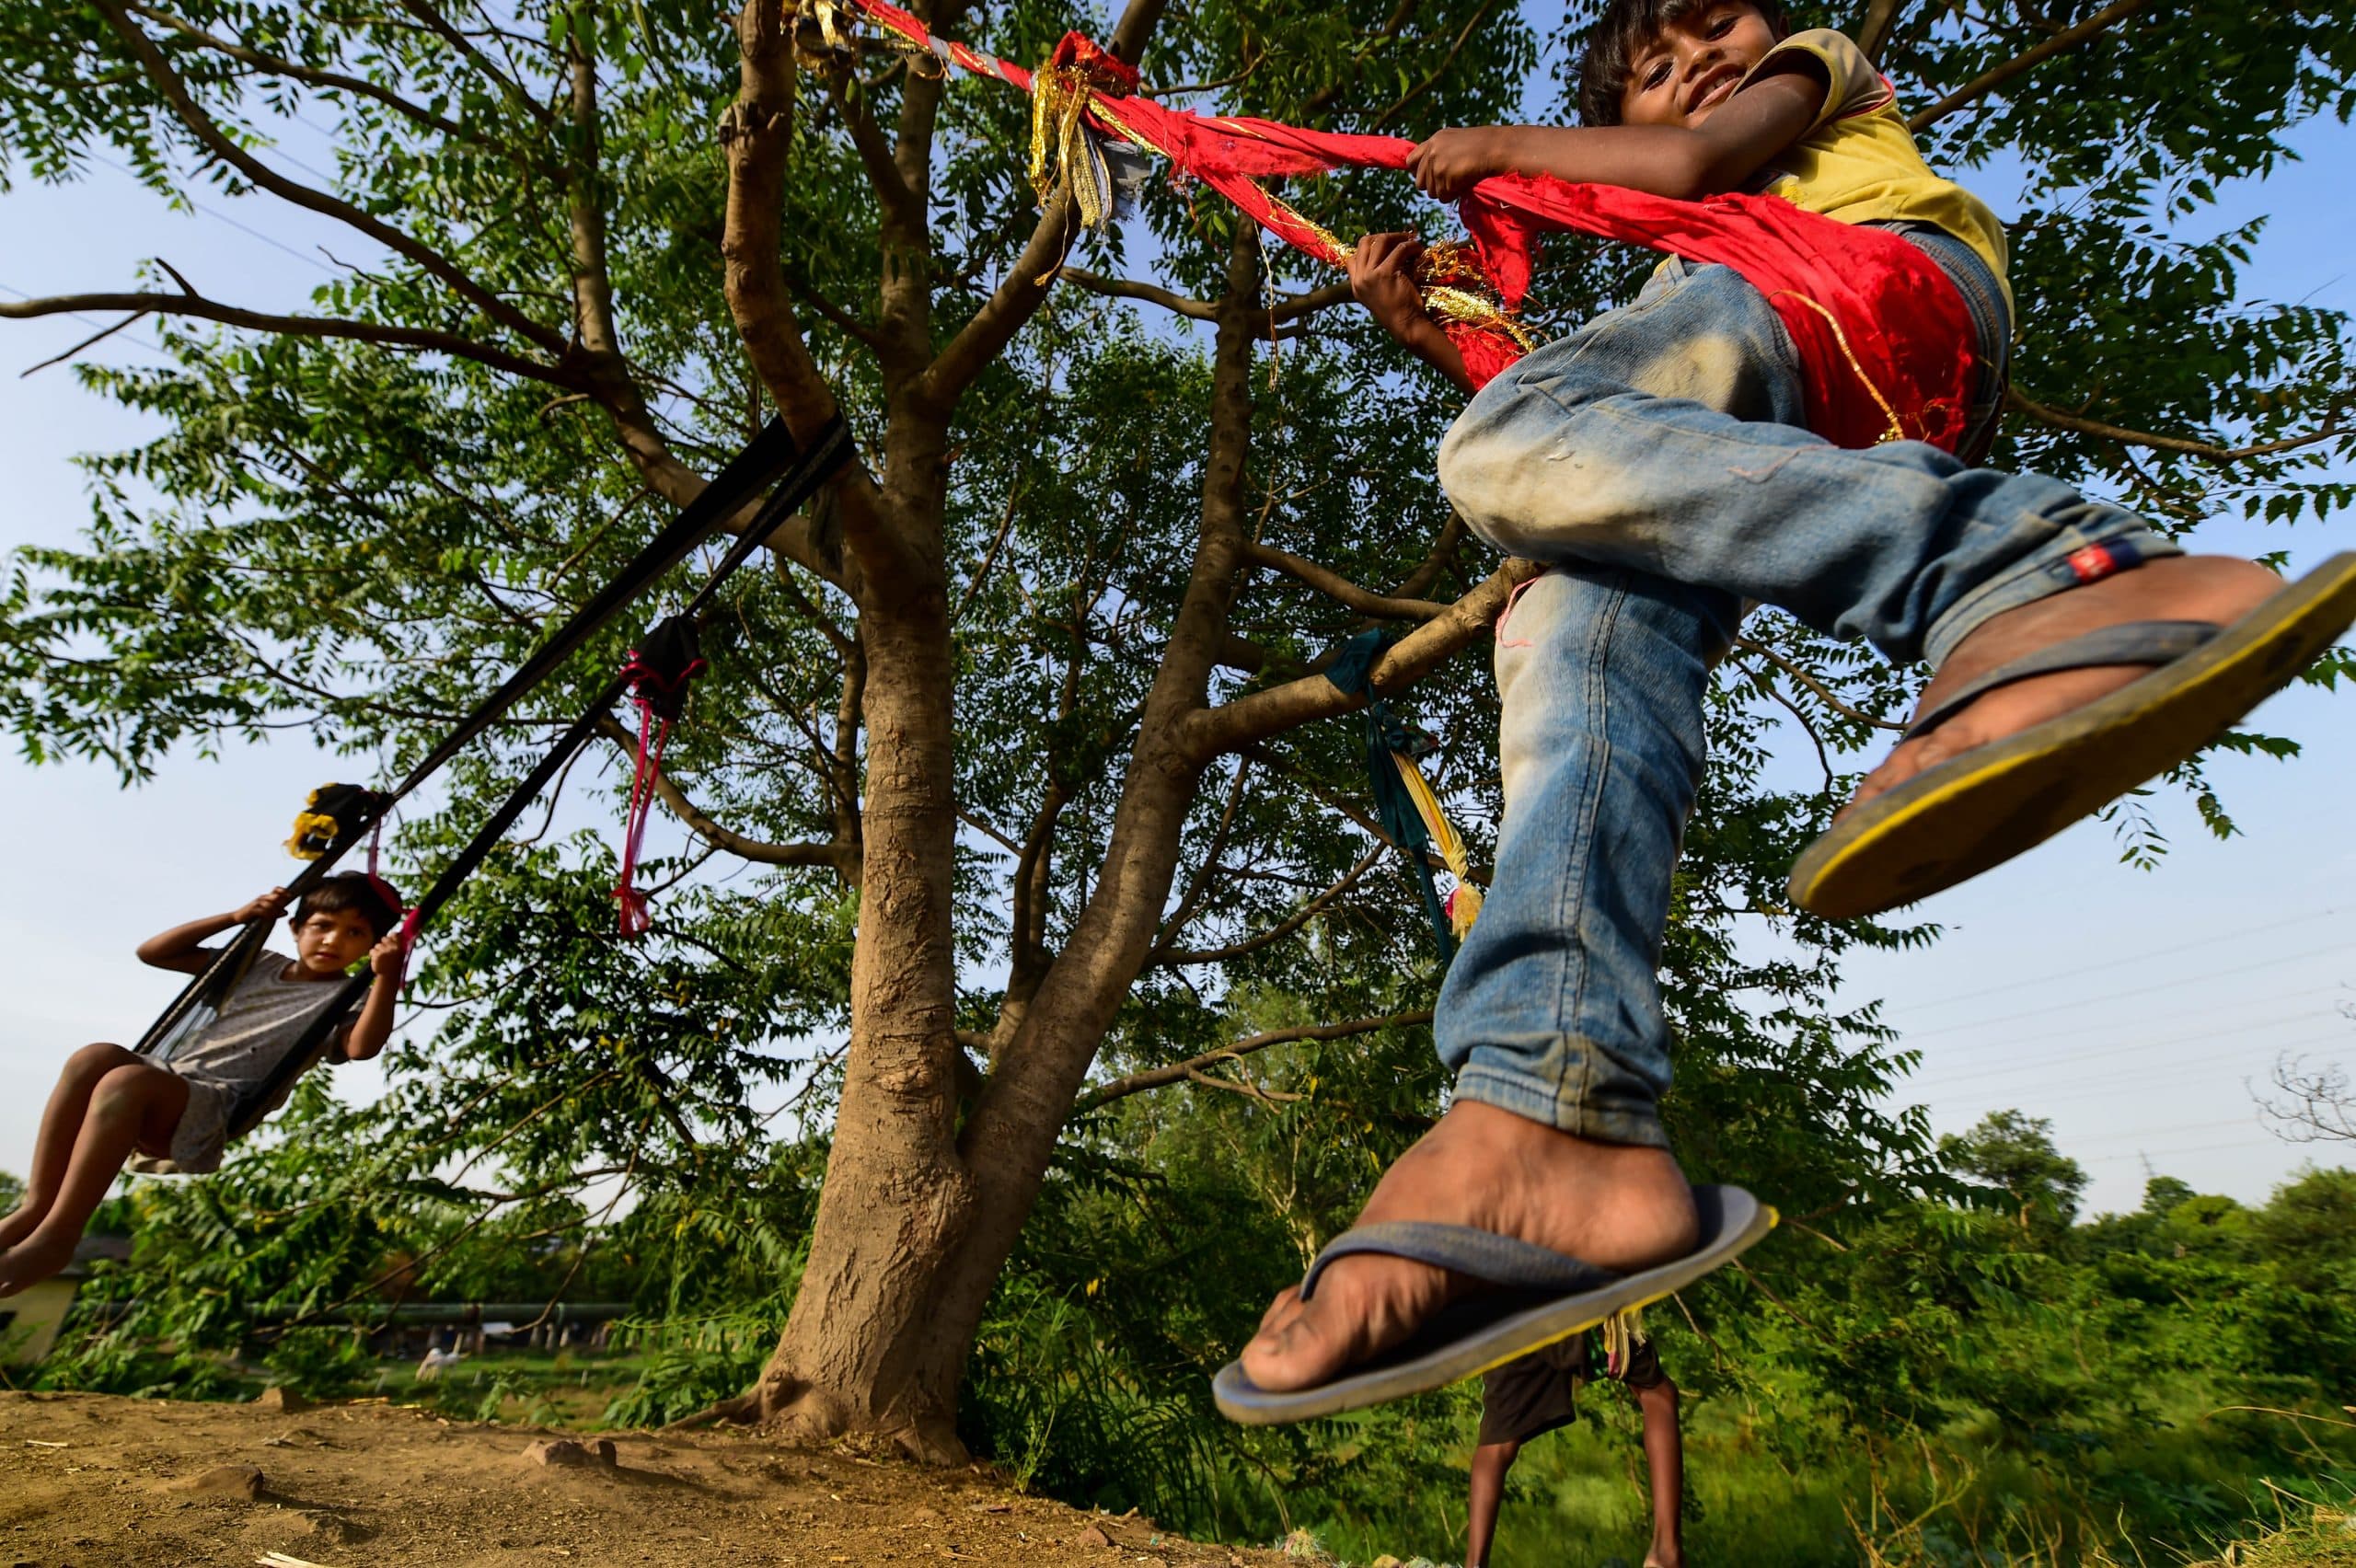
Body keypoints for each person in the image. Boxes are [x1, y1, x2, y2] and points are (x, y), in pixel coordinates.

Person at [1231, 0, 2351, 1408]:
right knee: (1564, 614)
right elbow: (1626, 450)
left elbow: (1702, 160)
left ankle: (2030, 570)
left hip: (1878, 287)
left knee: (1506, 446)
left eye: (1714, 27)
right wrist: (1420, 325)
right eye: (1647, 68)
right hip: (1820, 396)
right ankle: (1549, 1098)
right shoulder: (1684, 278)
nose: (1691, 61)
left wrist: (1499, 144)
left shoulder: (1815, 92)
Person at [0, 873, 406, 1296]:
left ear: (371, 945)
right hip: (168, 1078)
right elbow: (153, 952)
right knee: (93, 1056)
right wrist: (236, 917)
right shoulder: (257, 964)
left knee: (126, 1078)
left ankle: (59, 1236)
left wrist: (386, 979)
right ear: (296, 927)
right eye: (323, 925)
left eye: (354, 933)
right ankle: (36, 1208)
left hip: (215, 1106)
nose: (332, 941)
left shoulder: (350, 996)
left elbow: (361, 1047)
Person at [1468, 1330, 1683, 1568]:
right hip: (1564, 1304)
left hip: (1508, 1311)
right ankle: (1665, 1553)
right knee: (1656, 1392)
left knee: (1497, 1442)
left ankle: (1475, 1564)